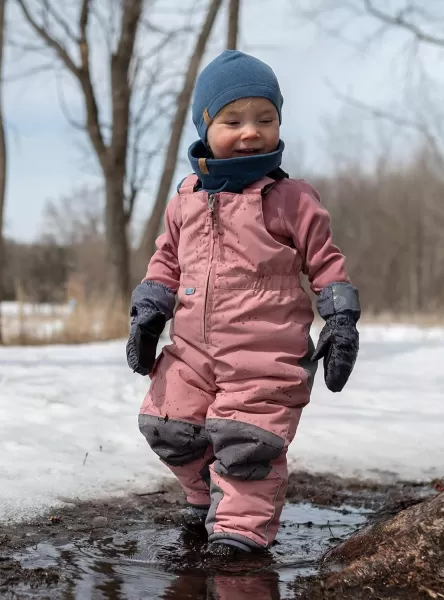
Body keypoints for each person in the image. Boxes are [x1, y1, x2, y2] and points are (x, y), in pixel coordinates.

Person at [126, 50, 360, 557]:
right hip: (192, 349)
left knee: (248, 441)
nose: (251, 131)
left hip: (265, 353)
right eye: (233, 120)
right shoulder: (185, 197)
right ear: (205, 127)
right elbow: (165, 261)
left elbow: (325, 262)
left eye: (265, 118)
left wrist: (340, 320)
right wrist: (148, 312)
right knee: (167, 424)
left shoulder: (290, 198)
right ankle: (204, 495)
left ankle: (240, 532)